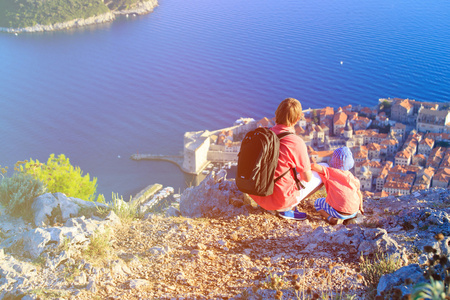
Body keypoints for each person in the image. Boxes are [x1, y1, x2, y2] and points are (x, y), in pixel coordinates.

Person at [250, 98, 323, 220]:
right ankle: (285, 209)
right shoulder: (295, 142)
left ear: (277, 114)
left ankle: (275, 204)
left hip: (258, 195)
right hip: (279, 199)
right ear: (297, 118)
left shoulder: (264, 135)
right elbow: (307, 178)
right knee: (323, 170)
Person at [311, 147, 364, 225]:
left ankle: (331, 219)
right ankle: (350, 219)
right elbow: (359, 194)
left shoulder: (331, 172)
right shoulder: (354, 178)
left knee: (317, 203)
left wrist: (312, 162)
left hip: (338, 213)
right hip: (354, 211)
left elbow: (314, 167)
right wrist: (360, 207)